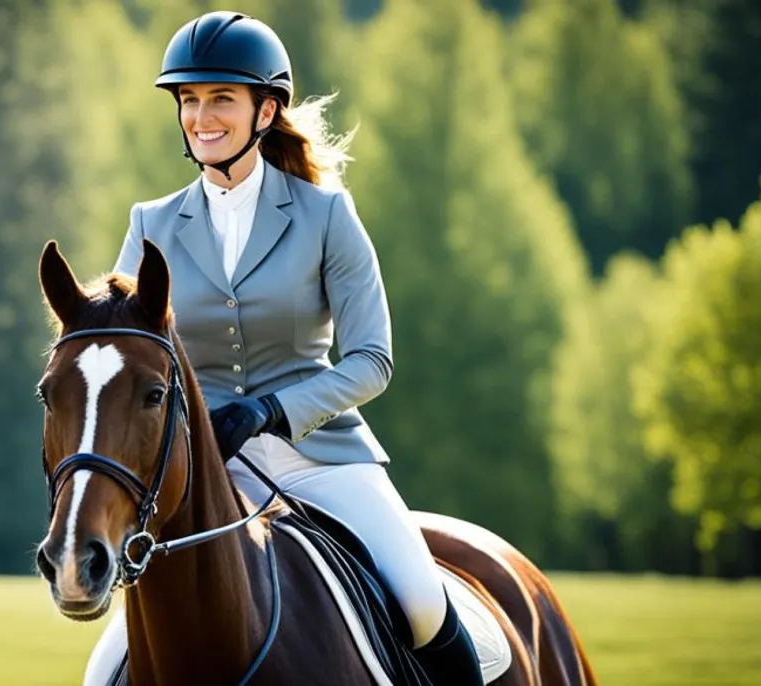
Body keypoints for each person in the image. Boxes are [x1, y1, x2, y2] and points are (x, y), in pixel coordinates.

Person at [90, 11, 486, 686]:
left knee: (422, 602)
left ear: (265, 109)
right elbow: (130, 355)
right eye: (189, 100)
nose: (200, 117)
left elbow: (372, 359)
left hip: (322, 460)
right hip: (204, 474)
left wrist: (272, 411)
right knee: (104, 671)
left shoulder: (327, 216)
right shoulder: (150, 224)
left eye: (221, 98)